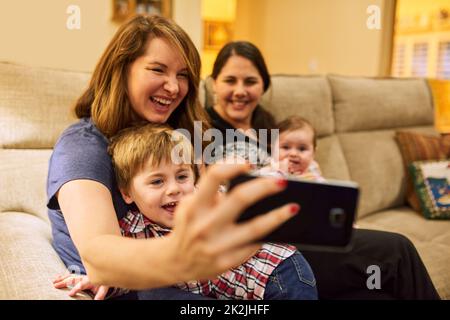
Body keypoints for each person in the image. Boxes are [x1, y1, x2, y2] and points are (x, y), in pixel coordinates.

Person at [46, 15, 298, 300]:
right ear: (121, 70)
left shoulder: (178, 135)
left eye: (182, 75)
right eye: (158, 70)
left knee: (346, 251)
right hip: (152, 290)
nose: (174, 87)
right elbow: (98, 253)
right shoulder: (82, 146)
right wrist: (183, 252)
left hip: (213, 277)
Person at [206, 40, 440, 300]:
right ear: (214, 82)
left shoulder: (270, 125)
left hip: (305, 236)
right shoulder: (204, 131)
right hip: (266, 253)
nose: (240, 91)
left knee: (378, 295)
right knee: (398, 250)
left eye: (250, 81)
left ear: (263, 85)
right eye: (230, 80)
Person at [55, 124, 317, 300]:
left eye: (182, 176)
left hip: (281, 274)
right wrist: (99, 278)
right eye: (157, 181)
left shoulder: (207, 204)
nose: (174, 190)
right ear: (127, 193)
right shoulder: (132, 230)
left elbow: (254, 203)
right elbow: (133, 271)